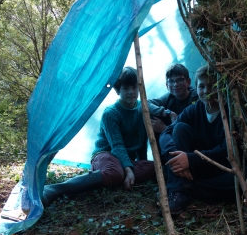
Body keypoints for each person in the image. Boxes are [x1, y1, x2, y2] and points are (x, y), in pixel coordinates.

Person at [41, 66, 165, 207]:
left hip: (127, 159)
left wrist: (141, 163)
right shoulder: (111, 113)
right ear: (118, 90)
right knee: (115, 172)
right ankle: (56, 189)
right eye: (125, 88)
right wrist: (129, 169)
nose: (131, 92)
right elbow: (116, 146)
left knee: (157, 167)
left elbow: (142, 142)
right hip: (106, 154)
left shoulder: (142, 109)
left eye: (134, 87)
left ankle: (116, 174)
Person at [159, 64, 238, 215]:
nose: (206, 91)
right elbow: (165, 133)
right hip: (197, 167)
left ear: (221, 88)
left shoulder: (231, 113)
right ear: (196, 88)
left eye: (212, 86)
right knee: (180, 128)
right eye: (201, 86)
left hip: (222, 168)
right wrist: (176, 155)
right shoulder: (194, 110)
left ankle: (188, 188)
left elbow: (226, 150)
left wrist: (190, 159)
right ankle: (179, 194)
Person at [149, 64, 199, 164]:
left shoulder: (197, 97)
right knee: (151, 117)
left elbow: (194, 129)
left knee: (180, 128)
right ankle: (162, 162)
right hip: (172, 141)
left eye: (180, 80)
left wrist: (165, 128)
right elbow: (145, 104)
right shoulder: (169, 97)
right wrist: (168, 113)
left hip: (194, 144)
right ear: (167, 86)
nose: (175, 84)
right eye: (171, 81)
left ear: (188, 82)